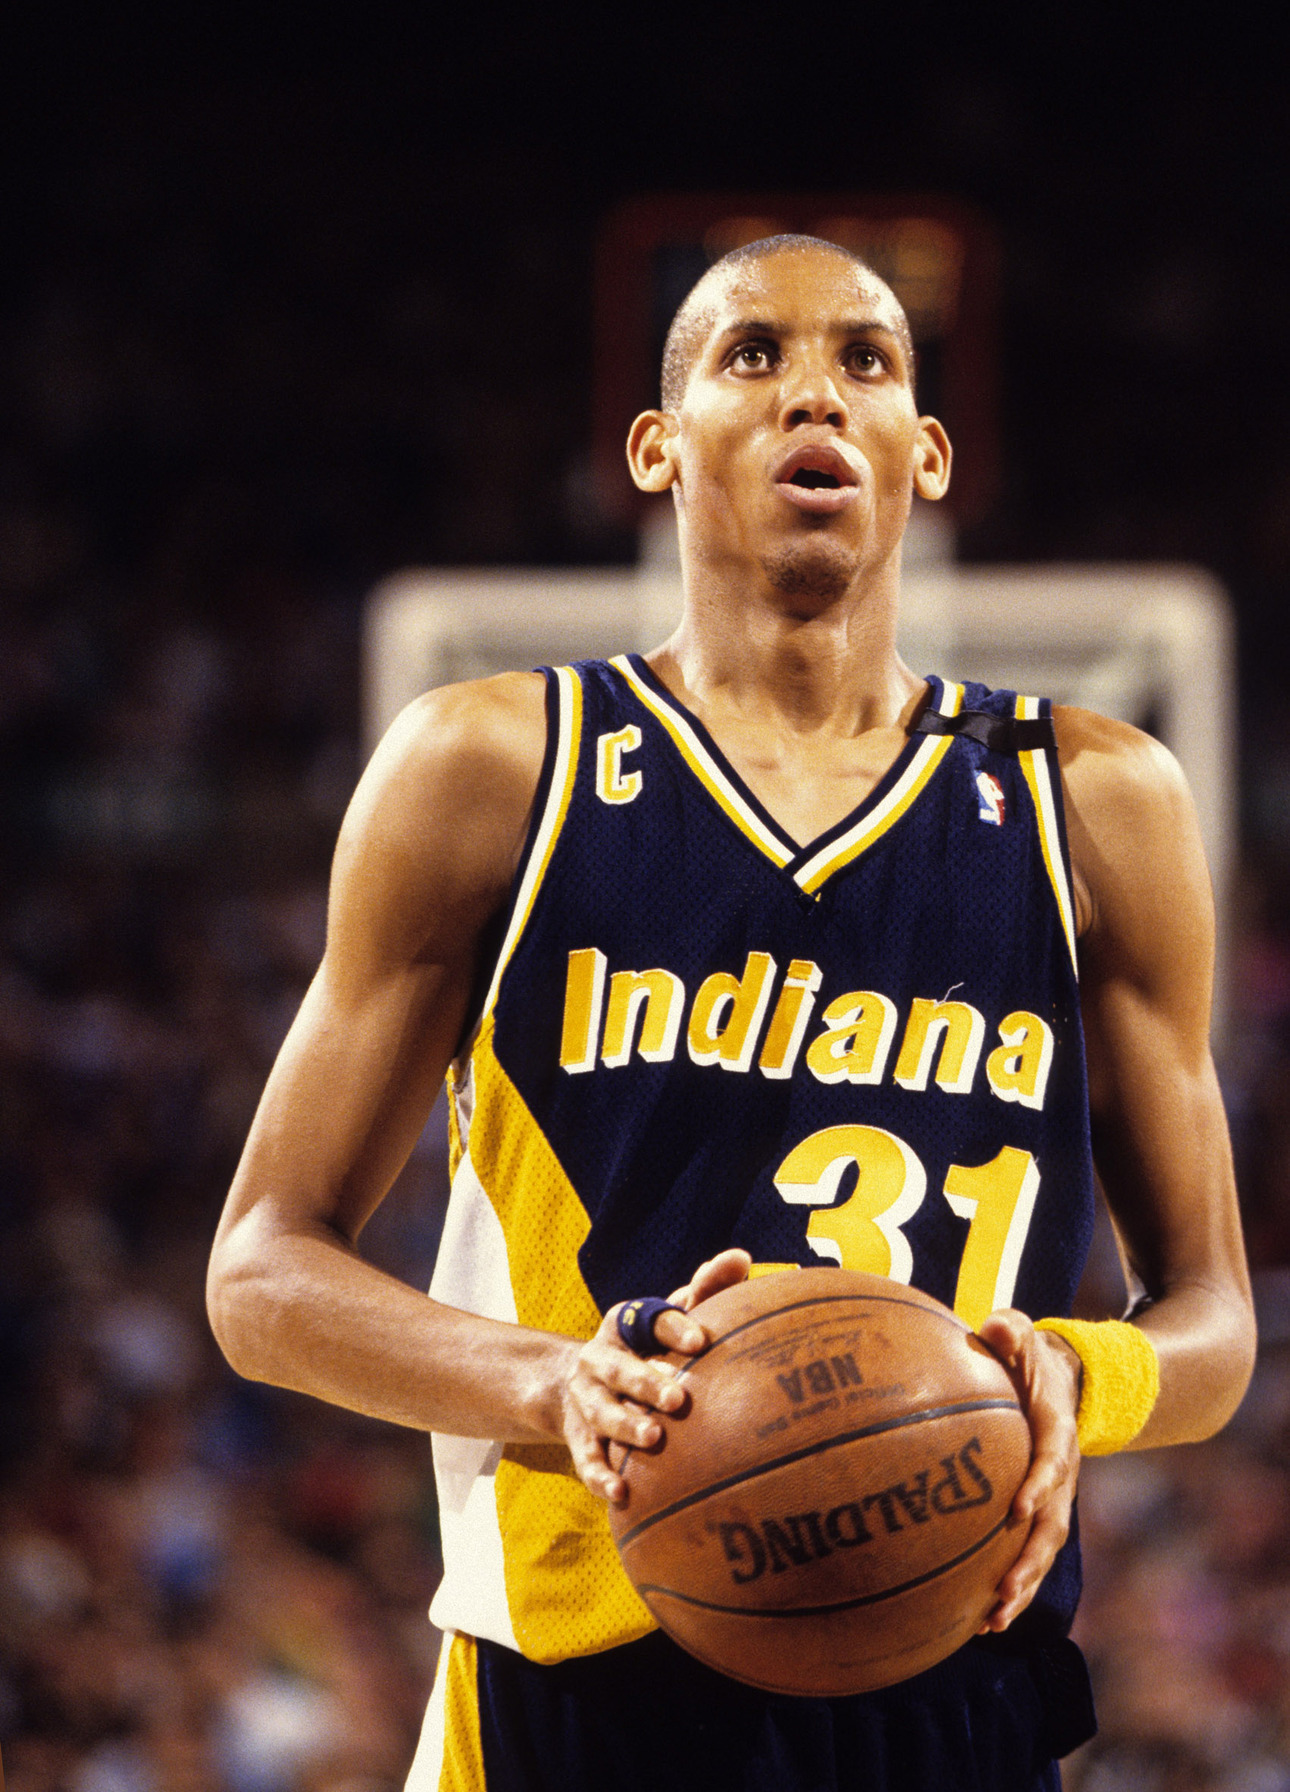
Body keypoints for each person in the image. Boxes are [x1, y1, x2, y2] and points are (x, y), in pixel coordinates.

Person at [208, 235, 1256, 1790]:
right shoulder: (493, 769)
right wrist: (550, 1384)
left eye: (866, 361)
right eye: (750, 356)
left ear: (926, 453)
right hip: (581, 1669)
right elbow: (259, 1272)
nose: (811, 394)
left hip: (951, 1665)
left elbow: (1216, 1326)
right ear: (658, 444)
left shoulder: (1092, 802)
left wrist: (1072, 1379)